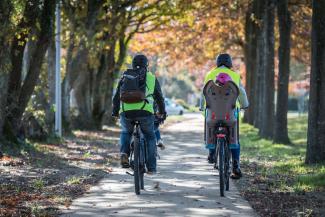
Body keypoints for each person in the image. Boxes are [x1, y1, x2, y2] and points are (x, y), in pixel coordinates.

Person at [112, 54, 166, 175]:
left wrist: (115, 112)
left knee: (126, 132)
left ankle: (124, 153)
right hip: (145, 112)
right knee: (150, 136)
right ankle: (151, 168)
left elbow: (116, 97)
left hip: (126, 112)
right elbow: (159, 98)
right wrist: (162, 112)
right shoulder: (151, 77)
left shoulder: (125, 76)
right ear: (146, 65)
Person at [203, 53, 249, 179]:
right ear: (230, 63)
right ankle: (235, 165)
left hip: (213, 112)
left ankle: (212, 152)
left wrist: (203, 108)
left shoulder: (209, 74)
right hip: (231, 112)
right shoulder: (234, 75)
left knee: (210, 127)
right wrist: (245, 105)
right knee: (234, 137)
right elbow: (241, 93)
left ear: (217, 63)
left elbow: (205, 93)